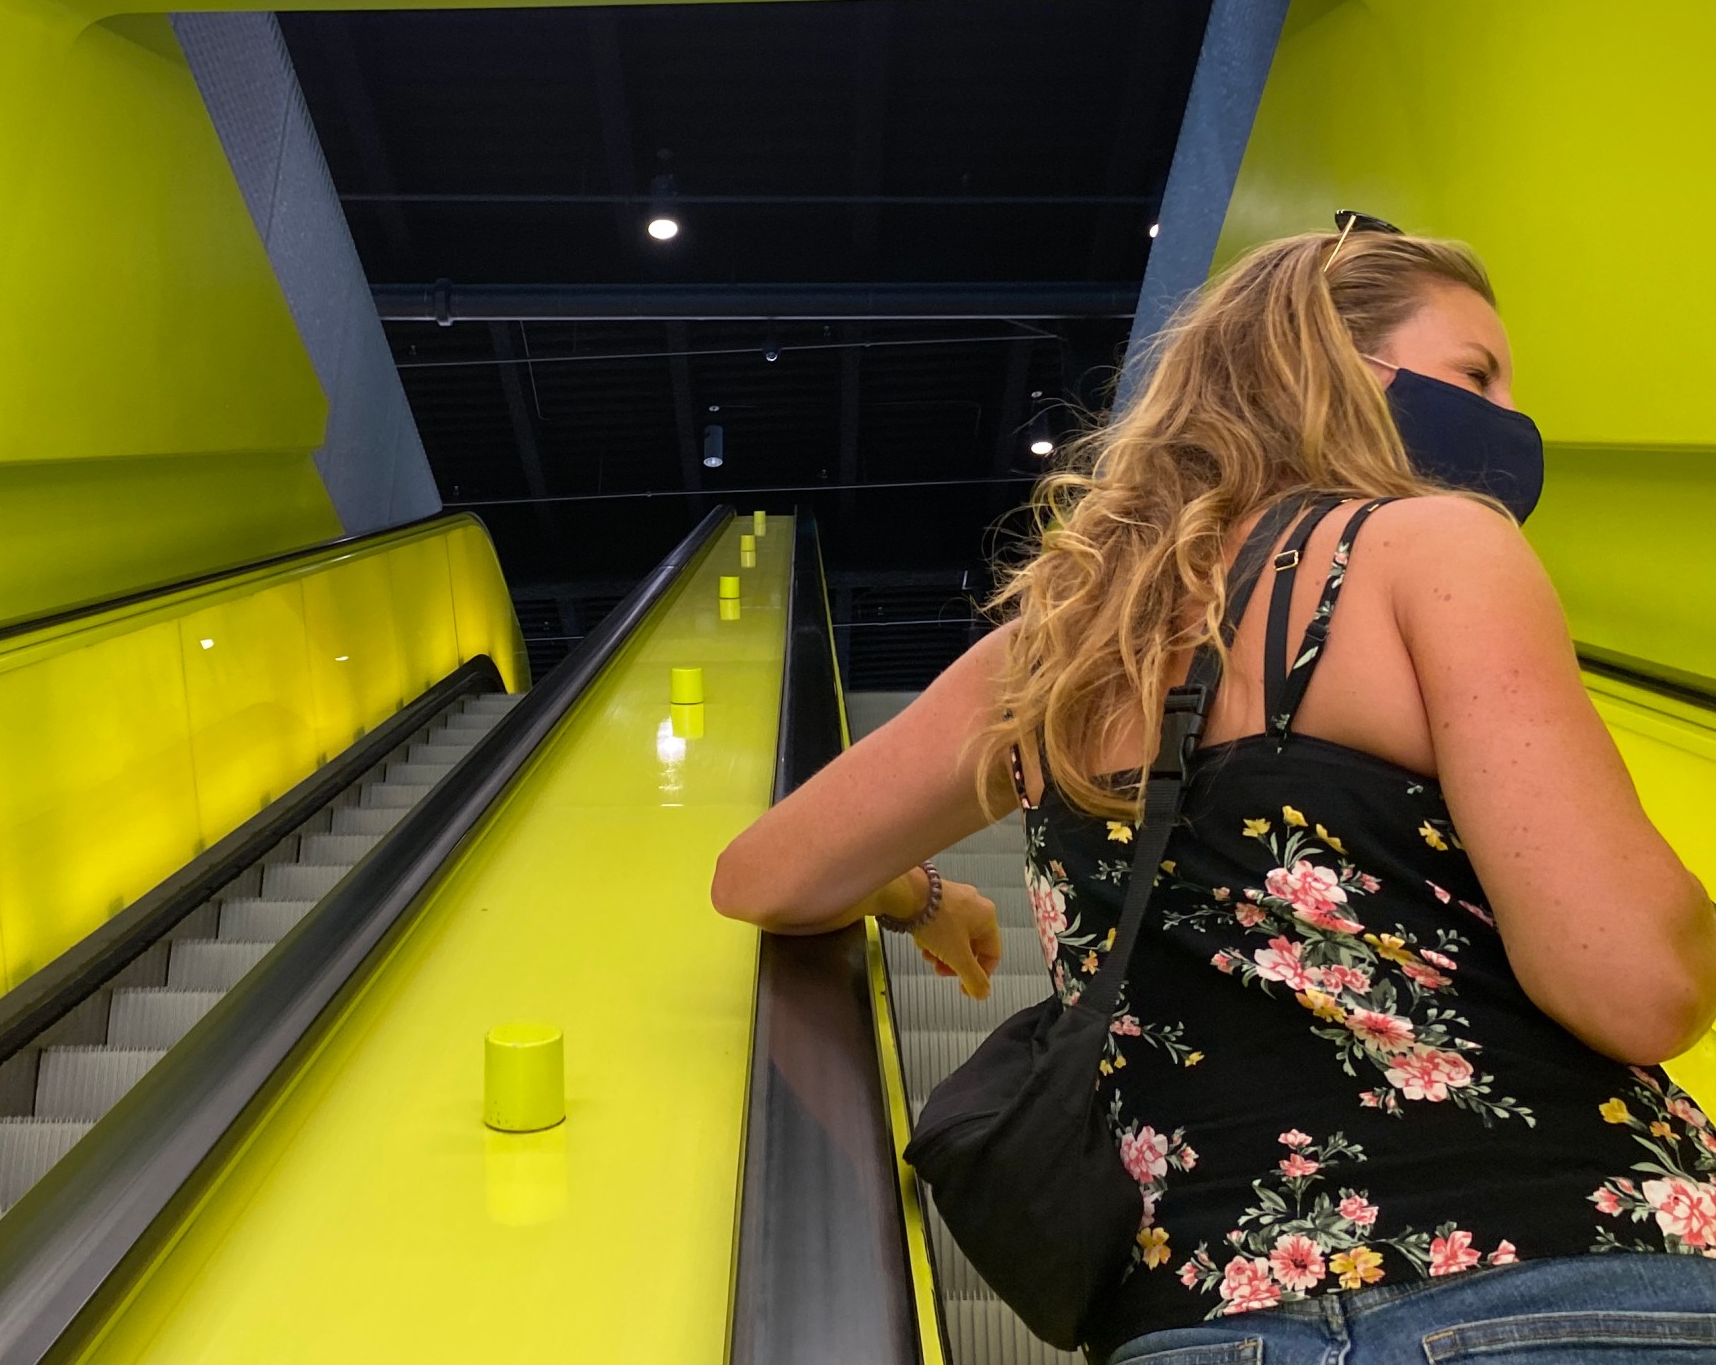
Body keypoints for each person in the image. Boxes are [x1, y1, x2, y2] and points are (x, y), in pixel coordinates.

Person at [712, 220, 1716, 1362]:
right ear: (1331, 366)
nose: (1507, 417)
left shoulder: (1048, 651)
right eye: (1475, 373)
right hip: (1559, 1274)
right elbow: (1636, 990)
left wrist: (919, 895)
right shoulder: (1436, 547)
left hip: (1195, 1323)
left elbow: (764, 876)